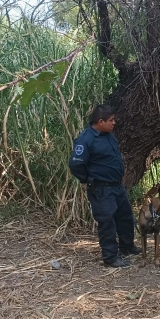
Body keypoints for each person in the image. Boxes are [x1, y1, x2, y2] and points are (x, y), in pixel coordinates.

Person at [68, 104, 141, 268]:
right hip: (101, 189)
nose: (114, 123)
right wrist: (87, 178)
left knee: (125, 218)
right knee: (107, 222)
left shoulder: (107, 134)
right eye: (111, 120)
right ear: (100, 121)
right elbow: (75, 164)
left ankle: (127, 247)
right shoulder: (86, 139)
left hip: (117, 186)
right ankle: (110, 257)